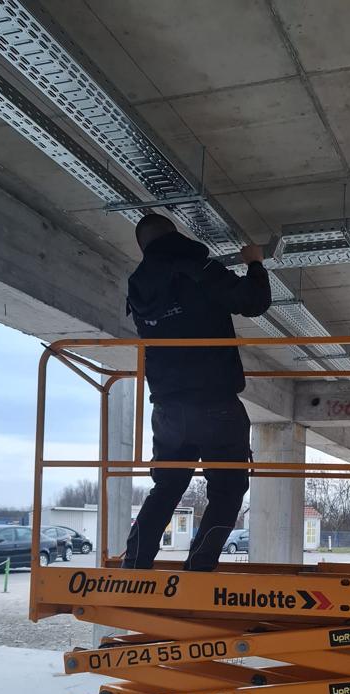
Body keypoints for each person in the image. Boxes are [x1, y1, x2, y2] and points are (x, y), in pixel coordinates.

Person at [122, 214, 271, 571]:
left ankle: (135, 562)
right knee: (228, 488)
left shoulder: (138, 286)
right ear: (174, 235)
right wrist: (255, 263)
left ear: (143, 246)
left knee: (167, 486)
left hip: (168, 410)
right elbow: (254, 301)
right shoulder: (196, 267)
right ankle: (199, 566)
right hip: (215, 404)